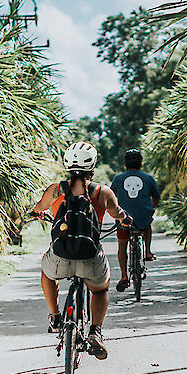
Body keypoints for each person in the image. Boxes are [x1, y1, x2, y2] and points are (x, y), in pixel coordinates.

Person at [29, 142, 131, 360]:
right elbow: (118, 213)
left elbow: (39, 208)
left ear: (67, 164)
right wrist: (124, 220)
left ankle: (55, 316)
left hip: (60, 257)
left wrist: (36, 212)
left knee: (47, 273)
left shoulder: (55, 190)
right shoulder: (102, 192)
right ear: (93, 166)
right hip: (90, 258)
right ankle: (95, 331)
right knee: (101, 290)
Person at [111, 149, 161, 292]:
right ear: (141, 163)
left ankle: (124, 276)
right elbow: (156, 197)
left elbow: (111, 197)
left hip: (124, 220)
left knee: (122, 246)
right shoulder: (148, 178)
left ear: (125, 163)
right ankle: (148, 252)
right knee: (147, 226)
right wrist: (153, 207)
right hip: (143, 217)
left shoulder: (118, 179)